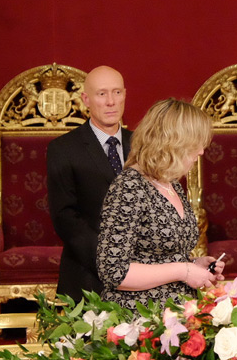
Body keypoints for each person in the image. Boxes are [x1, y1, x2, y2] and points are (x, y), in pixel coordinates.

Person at [97, 98, 225, 308]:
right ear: (174, 141)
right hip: (140, 319)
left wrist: (195, 265)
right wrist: (183, 271)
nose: (201, 151)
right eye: (196, 142)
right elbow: (114, 271)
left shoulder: (171, 183)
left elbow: (158, 257)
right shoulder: (130, 186)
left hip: (177, 316)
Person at [47, 65, 132, 300]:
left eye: (117, 92)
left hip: (142, 275)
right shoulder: (63, 149)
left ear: (124, 95)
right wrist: (109, 260)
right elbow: (65, 217)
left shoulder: (142, 144)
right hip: (87, 275)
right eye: (102, 94)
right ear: (86, 99)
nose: (111, 102)